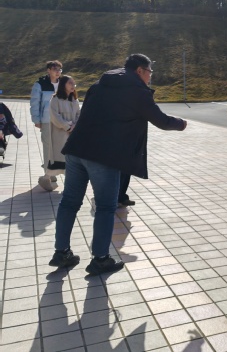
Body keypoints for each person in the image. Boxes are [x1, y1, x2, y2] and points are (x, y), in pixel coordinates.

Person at [49, 54, 187, 275]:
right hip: (104, 155)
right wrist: (181, 124)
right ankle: (100, 259)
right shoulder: (138, 91)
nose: (150, 77)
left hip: (76, 149)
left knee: (69, 203)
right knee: (105, 207)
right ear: (140, 70)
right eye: (150, 72)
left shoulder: (98, 85)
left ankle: (61, 252)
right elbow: (161, 121)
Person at [43, 75, 81, 190]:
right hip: (59, 134)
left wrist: (75, 126)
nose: (73, 85)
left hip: (73, 133)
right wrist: (67, 126)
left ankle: (70, 185)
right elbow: (55, 116)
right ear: (63, 84)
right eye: (70, 83)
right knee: (59, 158)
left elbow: (79, 115)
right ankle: (45, 179)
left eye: (74, 83)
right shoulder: (55, 99)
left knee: (70, 160)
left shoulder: (74, 100)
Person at [30, 60, 63, 189]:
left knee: (61, 148)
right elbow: (35, 103)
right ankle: (49, 175)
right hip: (47, 120)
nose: (58, 72)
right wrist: (36, 120)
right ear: (48, 70)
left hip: (62, 122)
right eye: (55, 69)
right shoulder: (40, 84)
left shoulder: (64, 83)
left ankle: (56, 170)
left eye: (59, 69)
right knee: (48, 148)